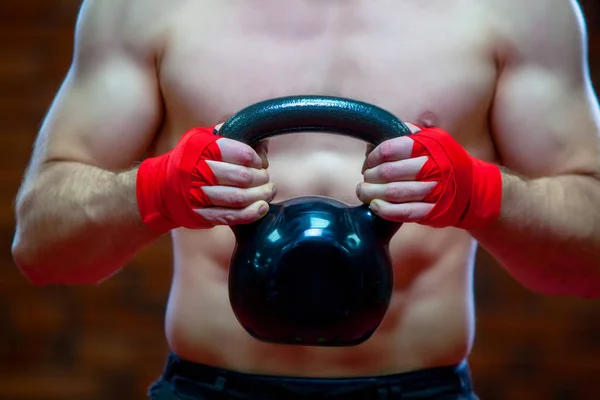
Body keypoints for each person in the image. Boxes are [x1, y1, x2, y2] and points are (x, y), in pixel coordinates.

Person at [12, 0, 600, 398]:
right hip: (209, 385)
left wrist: (481, 193)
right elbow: (42, 245)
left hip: (420, 386)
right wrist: (156, 188)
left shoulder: (520, 10)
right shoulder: (144, 7)